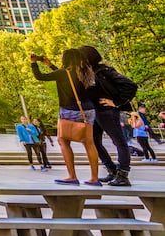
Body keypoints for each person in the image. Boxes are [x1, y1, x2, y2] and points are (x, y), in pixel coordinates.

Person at [32, 50, 101, 186]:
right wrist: (50, 65)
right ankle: (94, 178)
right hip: (88, 110)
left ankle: (72, 176)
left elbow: (40, 76)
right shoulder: (87, 72)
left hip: (69, 109)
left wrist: (34, 63)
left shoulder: (63, 73)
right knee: (89, 143)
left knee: (63, 141)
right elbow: (67, 78)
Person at [80, 45, 136, 186]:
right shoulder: (85, 73)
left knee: (119, 141)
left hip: (107, 111)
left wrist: (116, 102)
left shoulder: (104, 71)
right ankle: (112, 170)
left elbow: (130, 85)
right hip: (94, 112)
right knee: (92, 142)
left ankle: (123, 174)